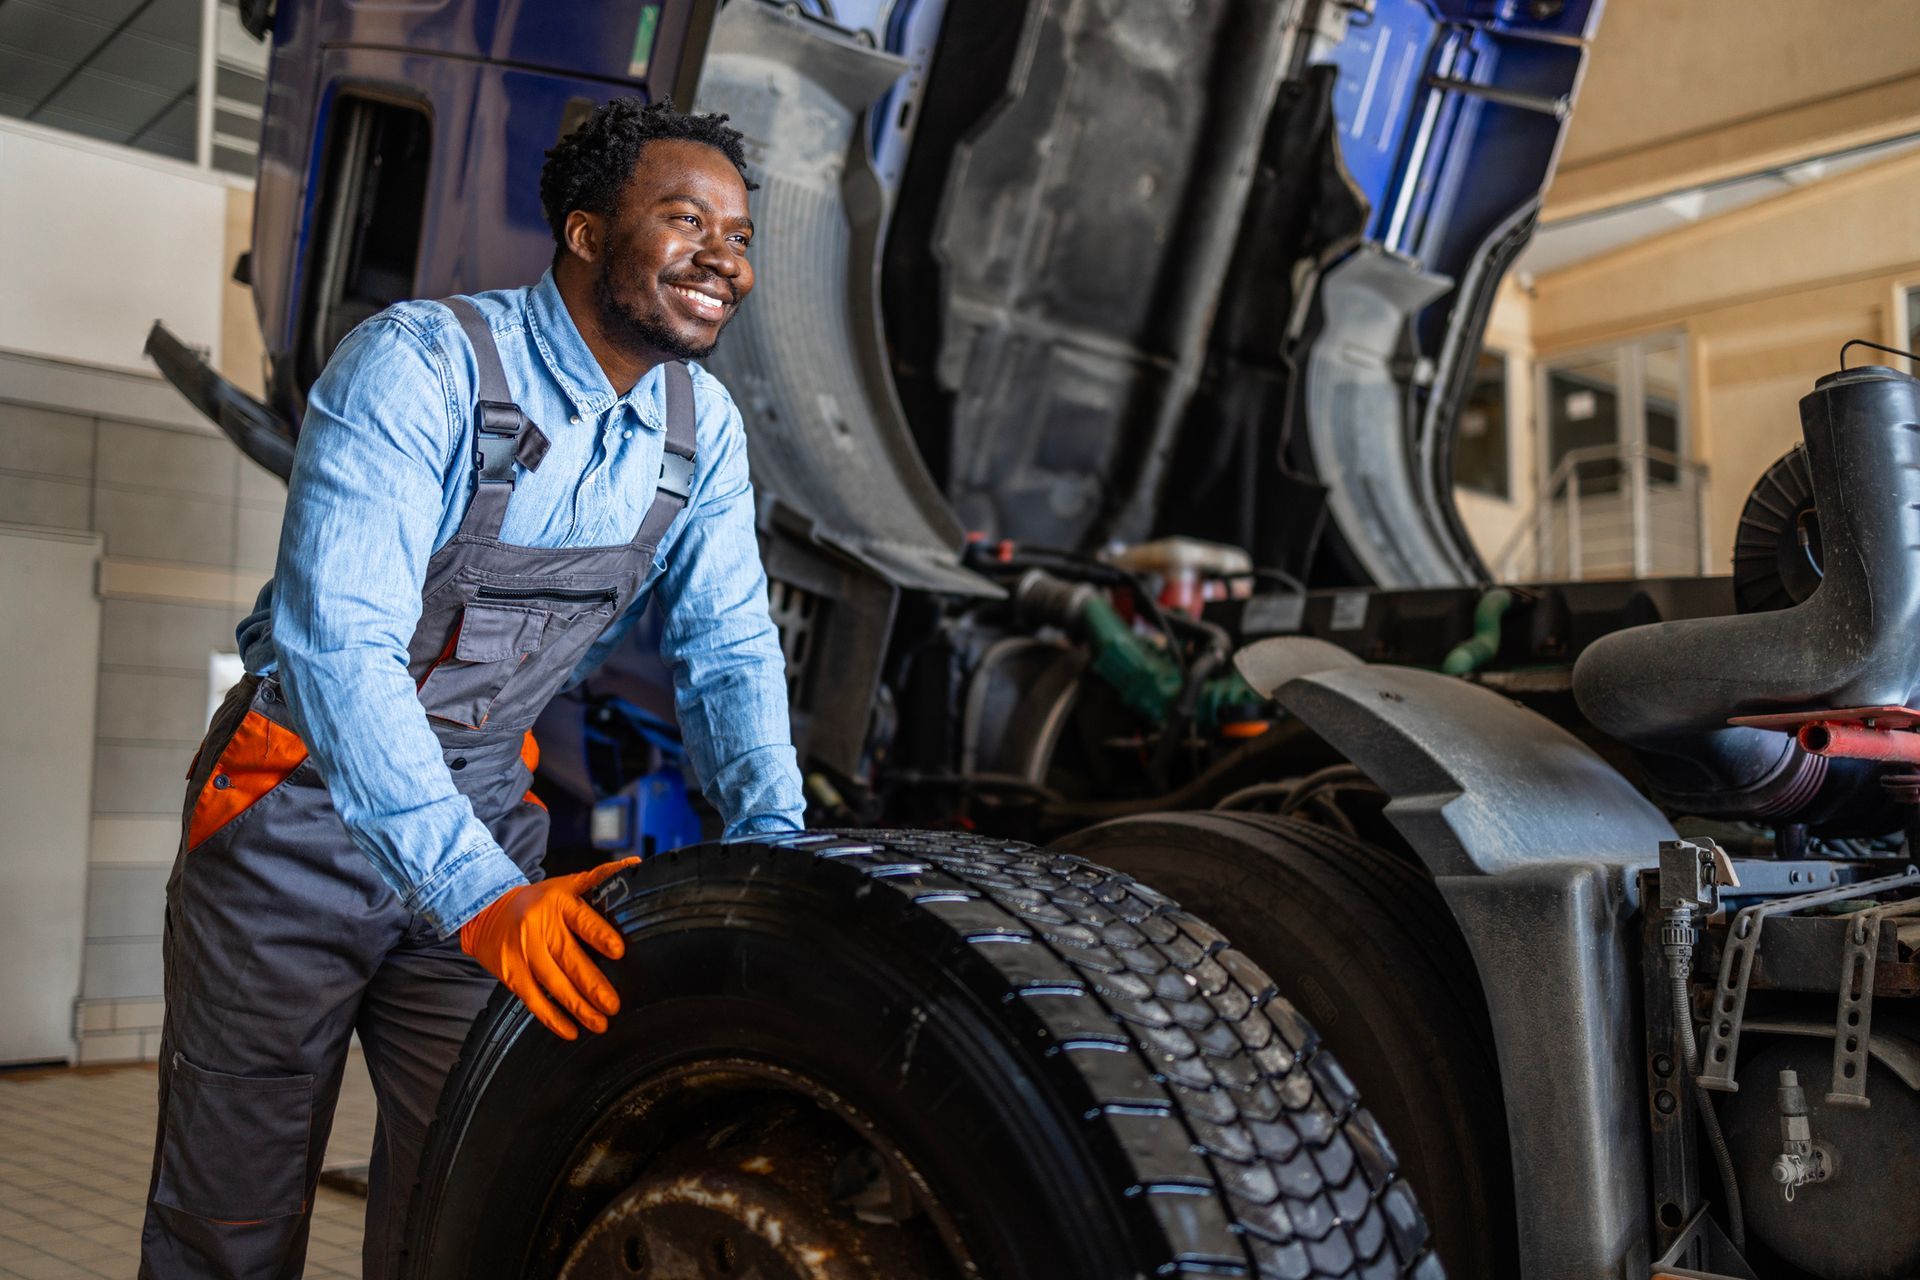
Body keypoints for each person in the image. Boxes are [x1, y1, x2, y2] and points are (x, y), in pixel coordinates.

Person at [139, 98, 804, 1279]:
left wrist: (775, 849)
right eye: (687, 218)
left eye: (741, 234)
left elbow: (733, 650)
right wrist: (482, 895)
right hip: (293, 819)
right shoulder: (418, 365)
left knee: (474, 1196)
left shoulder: (702, 431)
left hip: (489, 813)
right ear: (587, 231)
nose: (726, 258)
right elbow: (340, 647)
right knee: (228, 1227)